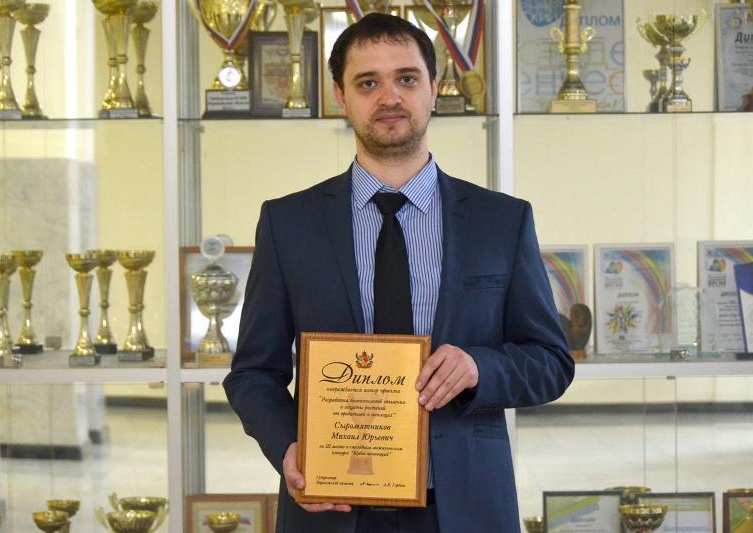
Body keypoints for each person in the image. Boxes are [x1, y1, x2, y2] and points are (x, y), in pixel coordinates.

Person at [223, 13, 574, 533]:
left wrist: (478, 368)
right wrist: (288, 446)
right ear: (341, 98)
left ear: (433, 89)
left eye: (406, 78)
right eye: (368, 83)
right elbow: (253, 373)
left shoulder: (502, 221)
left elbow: (550, 361)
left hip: (463, 508)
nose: (389, 97)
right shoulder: (288, 223)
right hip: (332, 507)